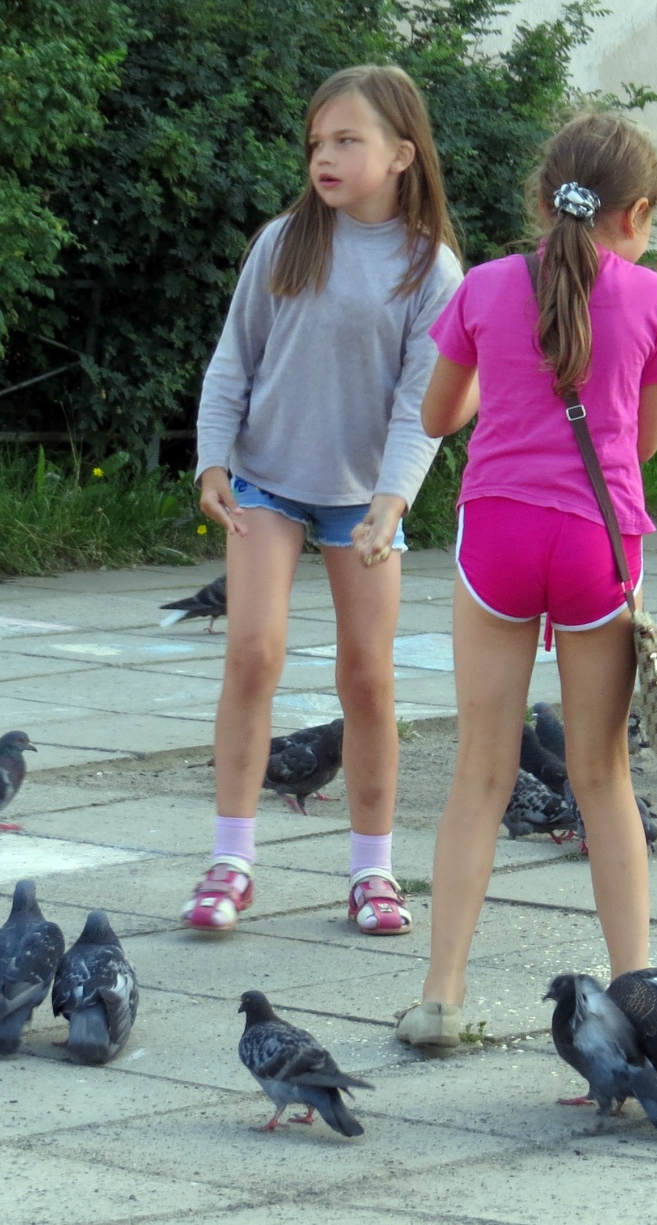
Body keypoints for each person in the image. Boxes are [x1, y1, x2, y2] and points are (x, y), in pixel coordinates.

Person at [396, 112, 657, 1051]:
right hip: (599, 541)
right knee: (601, 777)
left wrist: (506, 382)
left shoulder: (484, 285)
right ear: (635, 214)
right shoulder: (652, 297)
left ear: (541, 195)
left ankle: (441, 995)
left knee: (480, 771)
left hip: (499, 533)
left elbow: (438, 414)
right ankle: (635, 992)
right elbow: (643, 442)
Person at [187, 64, 463, 936]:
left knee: (368, 679)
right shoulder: (284, 242)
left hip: (364, 500)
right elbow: (233, 360)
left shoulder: (432, 266)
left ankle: (373, 872)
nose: (325, 157)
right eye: (316, 142)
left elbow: (424, 401)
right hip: (265, 480)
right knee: (252, 654)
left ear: (402, 155)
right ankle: (231, 862)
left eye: (347, 140)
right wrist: (212, 460)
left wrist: (394, 498)